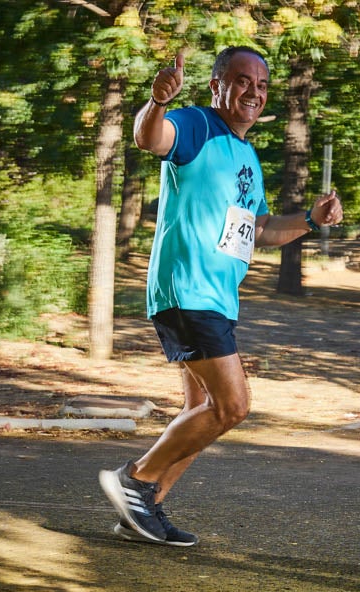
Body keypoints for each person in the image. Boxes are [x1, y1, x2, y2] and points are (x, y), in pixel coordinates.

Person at [99, 46, 343, 547]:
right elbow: (151, 138)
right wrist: (156, 102)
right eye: (242, 80)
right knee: (232, 408)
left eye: (262, 84)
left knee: (202, 414)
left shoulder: (246, 155)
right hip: (187, 288)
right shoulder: (195, 125)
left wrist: (313, 220)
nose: (253, 91)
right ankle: (135, 480)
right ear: (217, 86)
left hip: (216, 297)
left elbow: (260, 229)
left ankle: (144, 511)